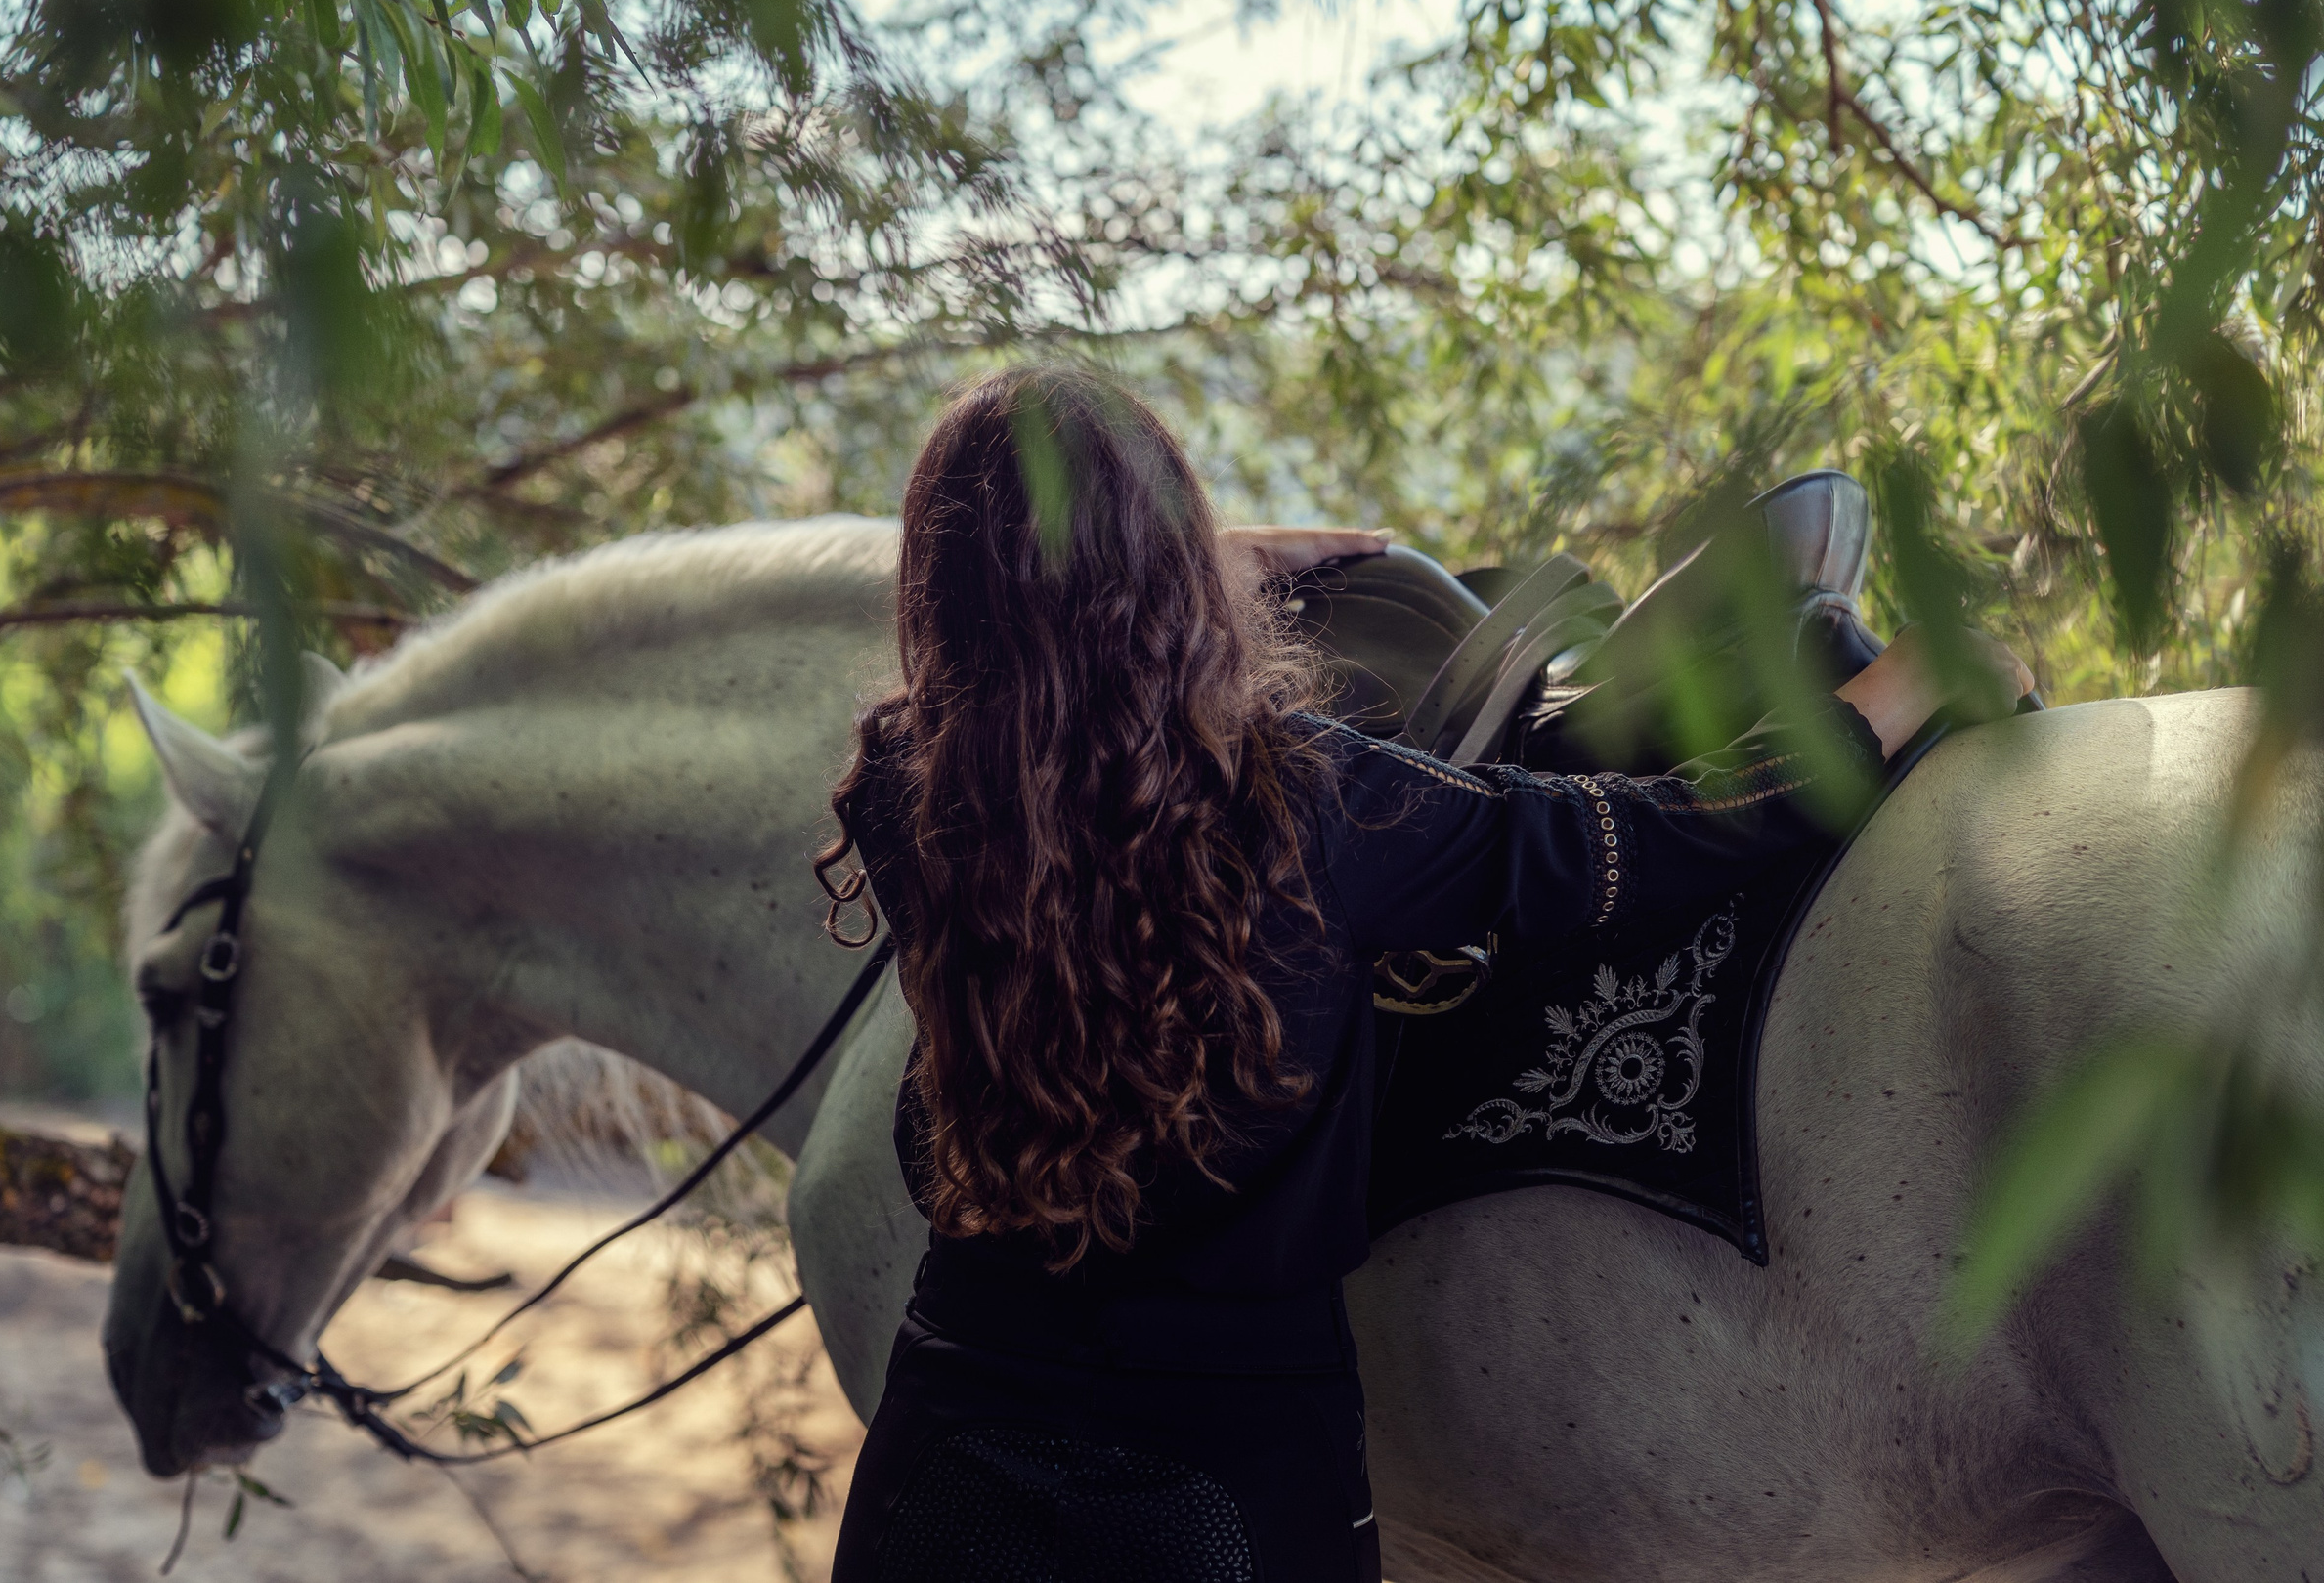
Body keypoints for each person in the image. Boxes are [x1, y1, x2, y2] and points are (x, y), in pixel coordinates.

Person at [813, 366, 2031, 1583]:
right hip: (1225, 1496)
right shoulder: (1316, 800)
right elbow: (1650, 834)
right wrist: (1890, 698)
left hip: (950, 1450)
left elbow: (1024, 663)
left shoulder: (903, 791)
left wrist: (1149, 559)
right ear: (1163, 565)